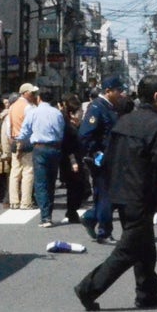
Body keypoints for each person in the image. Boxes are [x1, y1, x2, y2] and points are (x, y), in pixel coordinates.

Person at [74, 75, 157, 311]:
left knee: (146, 247)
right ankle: (88, 288)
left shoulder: (124, 121)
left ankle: (148, 294)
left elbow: (109, 157)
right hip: (141, 193)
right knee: (128, 249)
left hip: (120, 191)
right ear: (156, 96)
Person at [80, 77, 125, 243]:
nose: (121, 94)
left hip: (111, 158)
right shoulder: (97, 108)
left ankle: (91, 217)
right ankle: (104, 232)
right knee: (107, 196)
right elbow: (85, 135)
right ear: (108, 91)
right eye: (118, 90)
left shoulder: (110, 107)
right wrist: (93, 154)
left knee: (105, 195)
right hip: (101, 160)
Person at [16, 92, 66, 228]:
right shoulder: (57, 113)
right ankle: (48, 212)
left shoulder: (33, 112)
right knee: (51, 182)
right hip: (55, 147)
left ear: (39, 98)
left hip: (39, 148)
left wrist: (19, 139)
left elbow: (25, 131)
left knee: (40, 183)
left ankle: (45, 217)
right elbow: (61, 131)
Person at [8, 84, 39, 209]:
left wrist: (10, 138)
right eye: (31, 93)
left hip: (14, 139)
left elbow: (8, 126)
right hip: (26, 140)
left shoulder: (12, 107)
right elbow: (33, 126)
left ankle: (14, 201)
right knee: (28, 171)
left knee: (15, 171)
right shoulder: (29, 107)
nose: (33, 95)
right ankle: (25, 202)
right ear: (25, 93)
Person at [60, 95, 88, 224]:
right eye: (80, 111)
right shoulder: (68, 128)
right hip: (71, 161)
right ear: (72, 114)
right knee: (74, 187)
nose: (82, 113)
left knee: (80, 187)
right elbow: (67, 147)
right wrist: (73, 162)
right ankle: (71, 212)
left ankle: (72, 211)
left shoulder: (78, 126)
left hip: (79, 159)